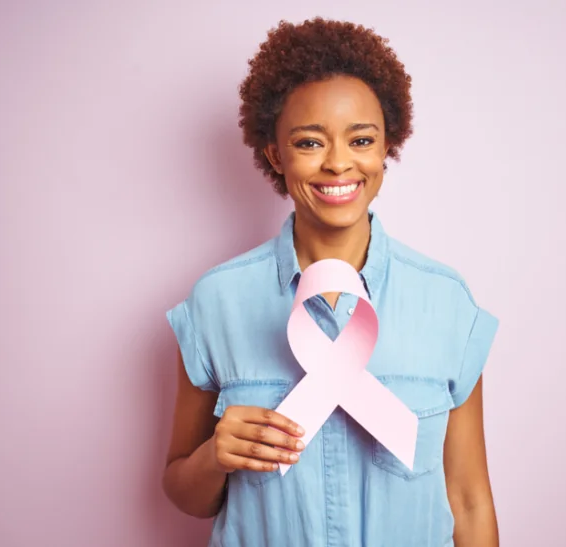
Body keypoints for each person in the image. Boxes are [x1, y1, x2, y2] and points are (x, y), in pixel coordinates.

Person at [162, 17, 501, 547]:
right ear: (275, 154)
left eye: (361, 139)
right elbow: (185, 492)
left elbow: (469, 499)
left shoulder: (446, 303)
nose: (339, 163)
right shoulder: (216, 303)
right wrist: (214, 457)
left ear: (386, 147)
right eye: (309, 143)